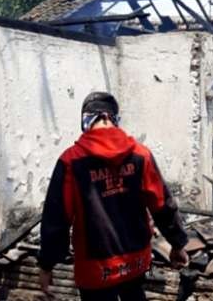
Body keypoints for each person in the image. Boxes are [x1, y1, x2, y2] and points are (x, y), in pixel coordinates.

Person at [38, 91, 189, 301]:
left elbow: (56, 219)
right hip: (135, 264)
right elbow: (162, 204)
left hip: (95, 270)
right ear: (114, 119)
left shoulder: (71, 161)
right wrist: (178, 244)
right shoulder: (141, 155)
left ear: (86, 121)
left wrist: (47, 264)